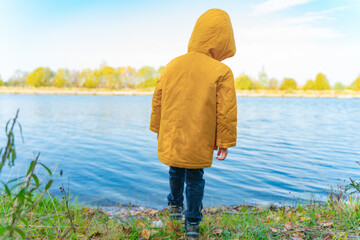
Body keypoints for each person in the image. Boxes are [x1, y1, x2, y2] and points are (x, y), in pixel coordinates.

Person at [150, 8, 237, 239]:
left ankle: (175, 206)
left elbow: (158, 98)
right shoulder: (222, 71)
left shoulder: (173, 64)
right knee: (195, 178)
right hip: (199, 135)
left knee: (175, 169)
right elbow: (225, 111)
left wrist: (158, 128)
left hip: (173, 132)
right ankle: (192, 225)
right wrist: (224, 142)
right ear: (223, 38)